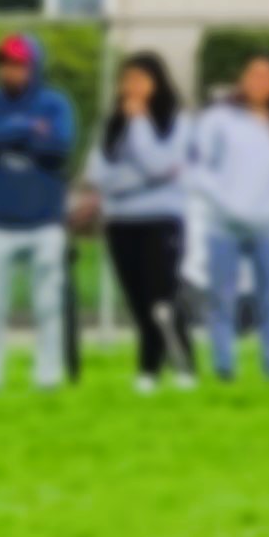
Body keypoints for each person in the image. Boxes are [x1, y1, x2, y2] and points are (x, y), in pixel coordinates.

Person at [189, 51, 269, 384]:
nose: (258, 82)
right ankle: (224, 368)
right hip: (224, 225)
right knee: (221, 298)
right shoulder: (219, 118)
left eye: (267, 77)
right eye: (252, 74)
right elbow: (199, 167)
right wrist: (226, 202)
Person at [0, 33, 75, 391]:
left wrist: (5, 136)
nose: (9, 71)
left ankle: (48, 378)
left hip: (44, 223)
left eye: (17, 64)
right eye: (3, 64)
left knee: (47, 307)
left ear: (34, 66)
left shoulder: (55, 104)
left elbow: (59, 145)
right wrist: (25, 128)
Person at [87, 51, 192, 392]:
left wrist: (140, 122)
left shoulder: (177, 121)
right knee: (136, 301)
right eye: (126, 79)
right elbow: (98, 175)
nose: (131, 87)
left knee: (160, 300)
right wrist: (138, 180)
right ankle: (148, 373)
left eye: (140, 80)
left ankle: (182, 368)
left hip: (161, 220)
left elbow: (162, 165)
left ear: (158, 83)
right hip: (120, 222)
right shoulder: (111, 123)